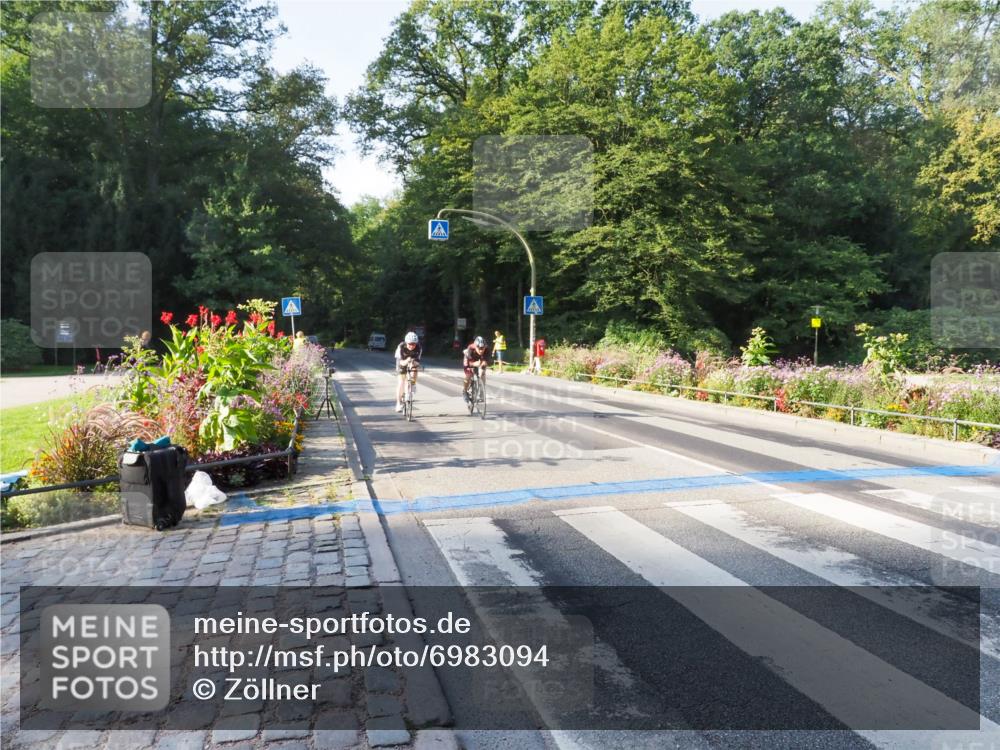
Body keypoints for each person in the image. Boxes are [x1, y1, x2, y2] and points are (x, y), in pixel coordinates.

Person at [394, 331, 422, 412]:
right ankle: (398, 404)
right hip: (402, 361)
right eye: (410, 344)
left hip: (412, 359)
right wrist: (407, 361)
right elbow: (401, 362)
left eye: (414, 344)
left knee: (414, 368)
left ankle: (413, 383)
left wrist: (413, 362)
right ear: (406, 343)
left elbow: (417, 361)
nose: (412, 346)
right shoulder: (401, 347)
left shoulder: (419, 347)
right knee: (401, 382)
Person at [463, 336, 490, 401]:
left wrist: (484, 363)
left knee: (482, 374)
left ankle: (481, 394)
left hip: (479, 359)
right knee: (469, 375)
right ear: (475, 346)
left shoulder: (487, 349)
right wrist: (474, 364)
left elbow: (487, 360)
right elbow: (468, 364)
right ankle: (465, 391)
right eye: (479, 348)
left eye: (482, 348)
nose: (481, 350)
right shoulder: (470, 348)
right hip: (469, 359)